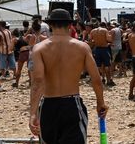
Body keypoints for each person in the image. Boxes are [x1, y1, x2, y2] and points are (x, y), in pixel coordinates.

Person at [29, 9, 107, 143]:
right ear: (70, 25)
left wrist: (33, 113)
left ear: (50, 25)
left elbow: (38, 81)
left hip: (48, 105)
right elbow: (96, 79)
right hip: (72, 104)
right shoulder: (82, 47)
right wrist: (100, 102)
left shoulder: (39, 48)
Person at [89, 22, 113, 86]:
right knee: (107, 65)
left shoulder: (92, 31)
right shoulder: (104, 30)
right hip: (104, 49)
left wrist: (95, 42)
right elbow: (109, 39)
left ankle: (100, 80)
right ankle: (108, 81)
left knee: (98, 66)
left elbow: (90, 41)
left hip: (97, 49)